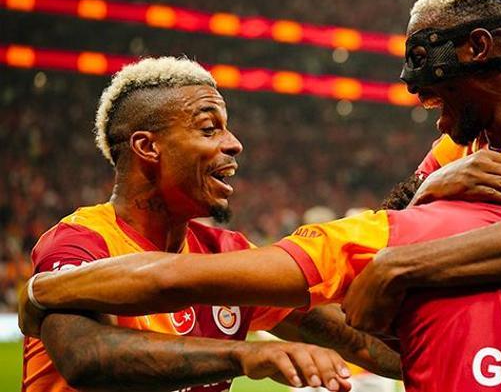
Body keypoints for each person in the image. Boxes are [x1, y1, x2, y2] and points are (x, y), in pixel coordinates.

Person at [20, 0, 501, 392]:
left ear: (477, 49)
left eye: (429, 77)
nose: (423, 102)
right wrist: (432, 190)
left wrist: (400, 271)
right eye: (211, 128)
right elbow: (385, 225)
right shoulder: (80, 242)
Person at [19, 57, 401, 392]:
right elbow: (85, 356)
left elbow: (360, 343)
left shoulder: (226, 252)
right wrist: (243, 355)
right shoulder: (78, 242)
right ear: (148, 147)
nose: (234, 144)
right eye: (208, 129)